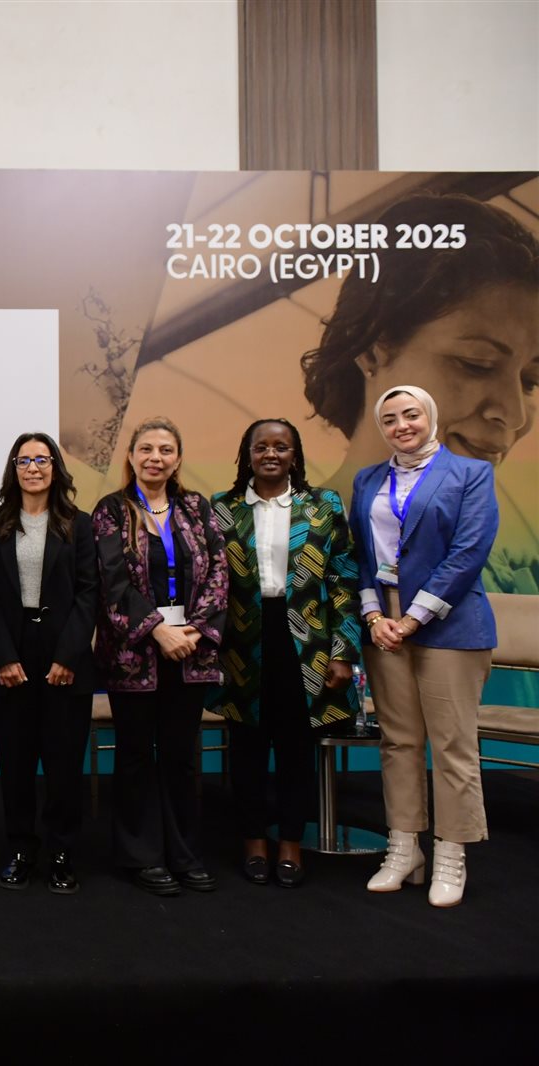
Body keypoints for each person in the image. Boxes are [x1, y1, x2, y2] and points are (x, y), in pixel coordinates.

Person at [300, 193, 537, 595]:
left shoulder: (508, 577)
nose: (514, 415)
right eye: (476, 364)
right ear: (372, 350)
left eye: (531, 381)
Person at [352, 385, 498, 908]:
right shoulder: (368, 479)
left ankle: (450, 855)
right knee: (399, 742)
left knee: (452, 746)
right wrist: (374, 615)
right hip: (384, 626)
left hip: (449, 625)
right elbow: (361, 555)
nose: (402, 426)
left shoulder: (471, 473)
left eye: (411, 415)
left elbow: (468, 551)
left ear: (430, 416)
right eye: (390, 419)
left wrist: (413, 618)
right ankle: (403, 848)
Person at [211, 419, 362, 889]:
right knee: (248, 746)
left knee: (297, 746)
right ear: (247, 454)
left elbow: (343, 579)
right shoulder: (222, 508)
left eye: (281, 446)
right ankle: (254, 840)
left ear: (295, 455)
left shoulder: (324, 506)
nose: (271, 454)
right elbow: (210, 582)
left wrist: (343, 651)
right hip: (243, 640)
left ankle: (292, 841)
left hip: (307, 642)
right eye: (261, 446)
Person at [91, 416, 228, 896]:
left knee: (181, 755)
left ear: (178, 459)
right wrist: (157, 631)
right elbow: (112, 580)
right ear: (131, 456)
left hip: (191, 651)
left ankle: (185, 854)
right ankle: (141, 856)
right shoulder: (111, 511)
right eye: (146, 449)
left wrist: (194, 630)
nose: (155, 458)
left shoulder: (196, 507)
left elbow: (218, 572)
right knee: (134, 755)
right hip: (134, 654)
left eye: (166, 450)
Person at [0, 432, 97, 895]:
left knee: (64, 764)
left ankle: (62, 852)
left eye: (41, 459)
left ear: (55, 468)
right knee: (16, 763)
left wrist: (68, 655)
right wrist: (4, 656)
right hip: (11, 652)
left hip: (64, 654)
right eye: (23, 460)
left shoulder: (79, 525)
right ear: (13, 469)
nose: (32, 468)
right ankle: (21, 850)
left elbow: (89, 593)